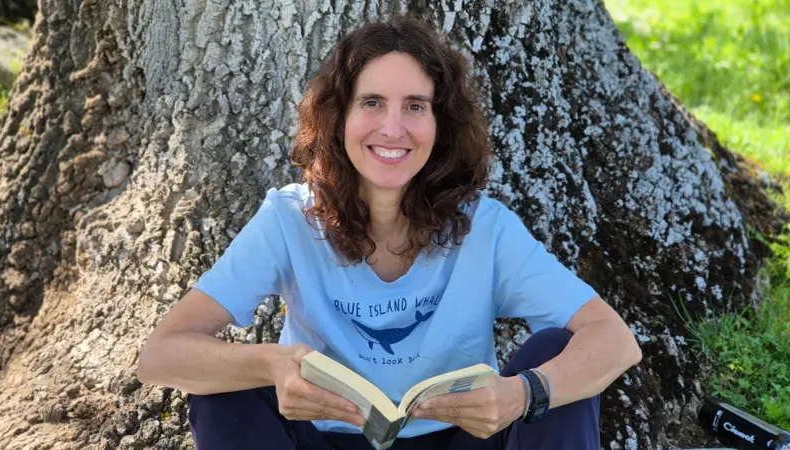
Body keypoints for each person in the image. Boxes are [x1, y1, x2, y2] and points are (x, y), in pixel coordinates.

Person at [136, 17, 642, 450]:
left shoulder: (485, 227)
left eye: (415, 106)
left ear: (440, 125)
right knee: (222, 387)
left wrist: (524, 393)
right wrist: (271, 364)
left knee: (553, 353)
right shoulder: (288, 219)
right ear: (339, 117)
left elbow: (616, 341)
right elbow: (160, 355)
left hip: (460, 439)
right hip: (325, 438)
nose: (393, 128)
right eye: (372, 102)